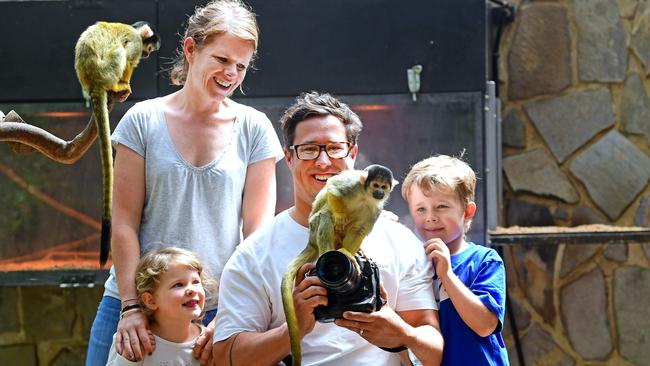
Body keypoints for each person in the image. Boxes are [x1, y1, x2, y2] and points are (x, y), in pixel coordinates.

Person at [86, 1, 284, 365]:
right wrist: (131, 307)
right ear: (191, 49)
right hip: (133, 301)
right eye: (222, 60)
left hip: (216, 310)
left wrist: (230, 314)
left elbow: (258, 236)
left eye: (241, 66)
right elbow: (124, 222)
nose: (231, 74)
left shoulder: (254, 128)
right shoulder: (142, 121)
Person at [212, 91, 444, 366]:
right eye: (309, 149)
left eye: (334, 148)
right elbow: (226, 359)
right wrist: (293, 328)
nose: (323, 162)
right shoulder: (254, 253)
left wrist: (399, 334)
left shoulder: (399, 241)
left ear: (353, 153)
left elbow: (435, 353)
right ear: (289, 158)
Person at [401, 155, 509, 365]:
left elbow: (485, 325)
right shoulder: (410, 263)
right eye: (421, 209)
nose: (430, 216)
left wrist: (447, 275)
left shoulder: (485, 260)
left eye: (441, 206)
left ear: (467, 212)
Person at [107, 247, 215, 365]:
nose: (192, 290)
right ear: (150, 300)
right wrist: (128, 361)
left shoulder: (209, 342)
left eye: (195, 282)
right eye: (178, 285)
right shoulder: (133, 340)